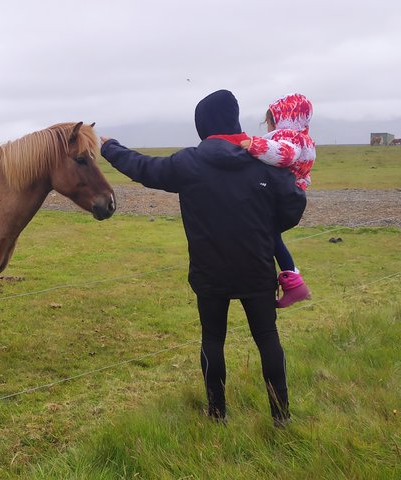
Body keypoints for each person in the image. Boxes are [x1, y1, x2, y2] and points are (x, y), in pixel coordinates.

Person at [100, 89, 306, 426]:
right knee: (267, 338)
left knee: (213, 339)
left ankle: (216, 413)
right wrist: (263, 229)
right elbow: (293, 207)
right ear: (234, 120)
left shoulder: (188, 163)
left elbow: (144, 168)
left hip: (209, 271)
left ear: (202, 126)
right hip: (256, 268)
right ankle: (281, 417)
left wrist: (111, 148)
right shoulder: (263, 160)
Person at [241, 93, 315, 308]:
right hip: (291, 196)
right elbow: (301, 171)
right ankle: (292, 281)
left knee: (268, 235)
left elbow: (284, 154)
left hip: (278, 198)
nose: (268, 128)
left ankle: (293, 283)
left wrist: (253, 145)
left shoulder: (288, 137)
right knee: (271, 237)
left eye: (270, 122)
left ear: (282, 119)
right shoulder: (305, 140)